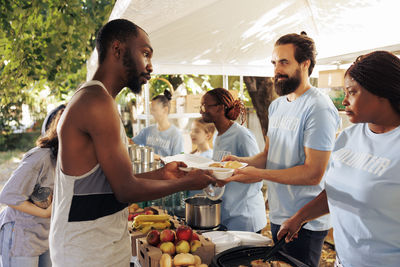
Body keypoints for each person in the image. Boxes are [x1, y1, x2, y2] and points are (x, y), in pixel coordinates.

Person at [49, 19, 215, 266]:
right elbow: (125, 190)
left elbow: (111, 181)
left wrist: (163, 174)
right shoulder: (96, 102)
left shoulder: (101, 100)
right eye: (145, 54)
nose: (150, 66)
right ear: (117, 49)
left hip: (99, 242)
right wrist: (189, 182)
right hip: (86, 249)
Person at [223, 33, 340, 266]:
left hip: (306, 221)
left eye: (284, 62)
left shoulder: (318, 107)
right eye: (274, 63)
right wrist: (238, 163)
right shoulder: (277, 106)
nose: (277, 70)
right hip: (277, 214)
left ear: (305, 63)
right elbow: (268, 156)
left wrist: (259, 175)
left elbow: (313, 173)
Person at [277, 51, 400, 267]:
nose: (344, 100)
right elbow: (339, 191)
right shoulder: (347, 137)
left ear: (382, 92)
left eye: (352, 92)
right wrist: (299, 218)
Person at [0, 104, 65, 267]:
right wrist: (45, 213)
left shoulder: (66, 160)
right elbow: (8, 195)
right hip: (21, 233)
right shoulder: (40, 157)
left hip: (44, 235)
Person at [200, 88, 267, 232]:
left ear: (220, 108)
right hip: (228, 215)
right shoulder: (219, 135)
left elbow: (257, 175)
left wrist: (230, 177)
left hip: (245, 216)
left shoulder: (242, 135)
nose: (202, 110)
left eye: (205, 106)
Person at [132, 90, 184, 158]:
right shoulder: (147, 131)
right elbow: (131, 143)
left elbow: (178, 162)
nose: (151, 113)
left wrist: (156, 157)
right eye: (151, 110)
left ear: (165, 110)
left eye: (154, 110)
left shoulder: (176, 135)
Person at [187, 118, 215, 197]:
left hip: (203, 201)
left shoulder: (210, 157)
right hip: (190, 199)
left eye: (196, 131)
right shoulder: (192, 154)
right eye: (191, 130)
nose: (192, 134)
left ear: (208, 135)